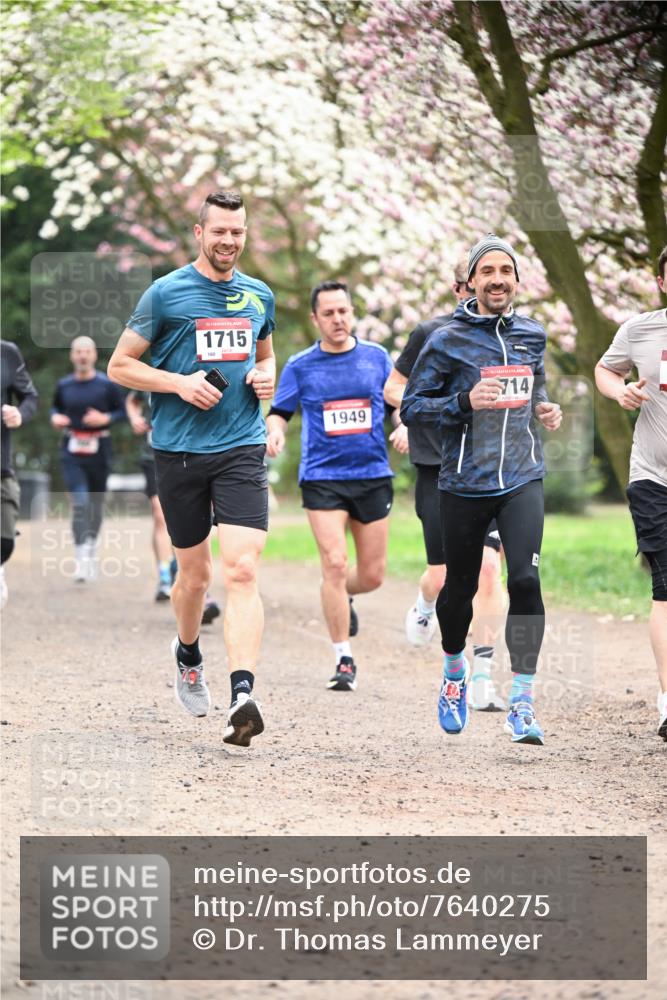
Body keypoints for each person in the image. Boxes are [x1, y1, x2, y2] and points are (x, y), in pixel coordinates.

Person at [108, 190, 275, 748]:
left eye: (238, 232)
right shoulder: (167, 294)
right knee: (195, 578)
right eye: (220, 231)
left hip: (242, 447)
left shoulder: (259, 296)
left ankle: (243, 695)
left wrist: (264, 380)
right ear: (199, 233)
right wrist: (178, 382)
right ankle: (187, 654)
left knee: (244, 569)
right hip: (179, 451)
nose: (229, 241)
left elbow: (264, 355)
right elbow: (120, 365)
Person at [401, 235, 562, 745]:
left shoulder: (533, 335)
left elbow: (535, 386)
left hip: (521, 477)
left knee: (526, 582)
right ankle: (454, 674)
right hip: (464, 484)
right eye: (487, 271)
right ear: (471, 280)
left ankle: (523, 700)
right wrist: (464, 403)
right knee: (459, 591)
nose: (497, 279)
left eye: (505, 271)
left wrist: (546, 408)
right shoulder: (446, 339)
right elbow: (411, 407)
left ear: (517, 281)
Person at [384, 256, 506, 711]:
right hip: (439, 466)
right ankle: (424, 601)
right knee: (444, 576)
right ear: (460, 289)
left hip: (494, 468)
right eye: (468, 286)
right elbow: (394, 390)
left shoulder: (511, 337)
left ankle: (483, 676)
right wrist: (422, 415)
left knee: (490, 569)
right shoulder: (431, 335)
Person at [266, 280, 398, 692]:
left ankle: (342, 595)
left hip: (373, 474)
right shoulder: (301, 365)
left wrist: (405, 426)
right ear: (315, 318)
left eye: (343, 311)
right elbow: (279, 412)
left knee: (372, 576)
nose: (337, 319)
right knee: (336, 564)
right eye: (329, 313)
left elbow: (398, 407)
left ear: (352, 312)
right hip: (323, 477)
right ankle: (343, 657)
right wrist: (275, 433)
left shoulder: (377, 358)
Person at [595, 245, 667, 742]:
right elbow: (606, 369)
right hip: (653, 477)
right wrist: (619, 390)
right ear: (662, 282)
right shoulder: (640, 328)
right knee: (666, 586)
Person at [50, 336, 126, 582]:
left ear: (94, 355)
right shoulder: (64, 385)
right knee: (80, 503)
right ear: (72, 356)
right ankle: (81, 558)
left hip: (100, 448)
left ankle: (91, 546)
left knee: (95, 504)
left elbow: (123, 411)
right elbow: (55, 409)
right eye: (78, 351)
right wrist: (55, 418)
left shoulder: (106, 385)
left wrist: (106, 419)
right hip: (71, 449)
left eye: (87, 351)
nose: (82, 355)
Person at [126, 390, 176, 602]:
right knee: (160, 515)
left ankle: (182, 570)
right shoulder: (152, 373)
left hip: (187, 452)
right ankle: (164, 576)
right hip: (153, 455)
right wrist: (135, 417)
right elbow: (132, 399)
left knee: (186, 517)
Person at [1, 340, 39, 607]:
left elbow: (30, 397)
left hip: (1, 468)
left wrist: (19, 413)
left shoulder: (7, 353)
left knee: (4, 542)